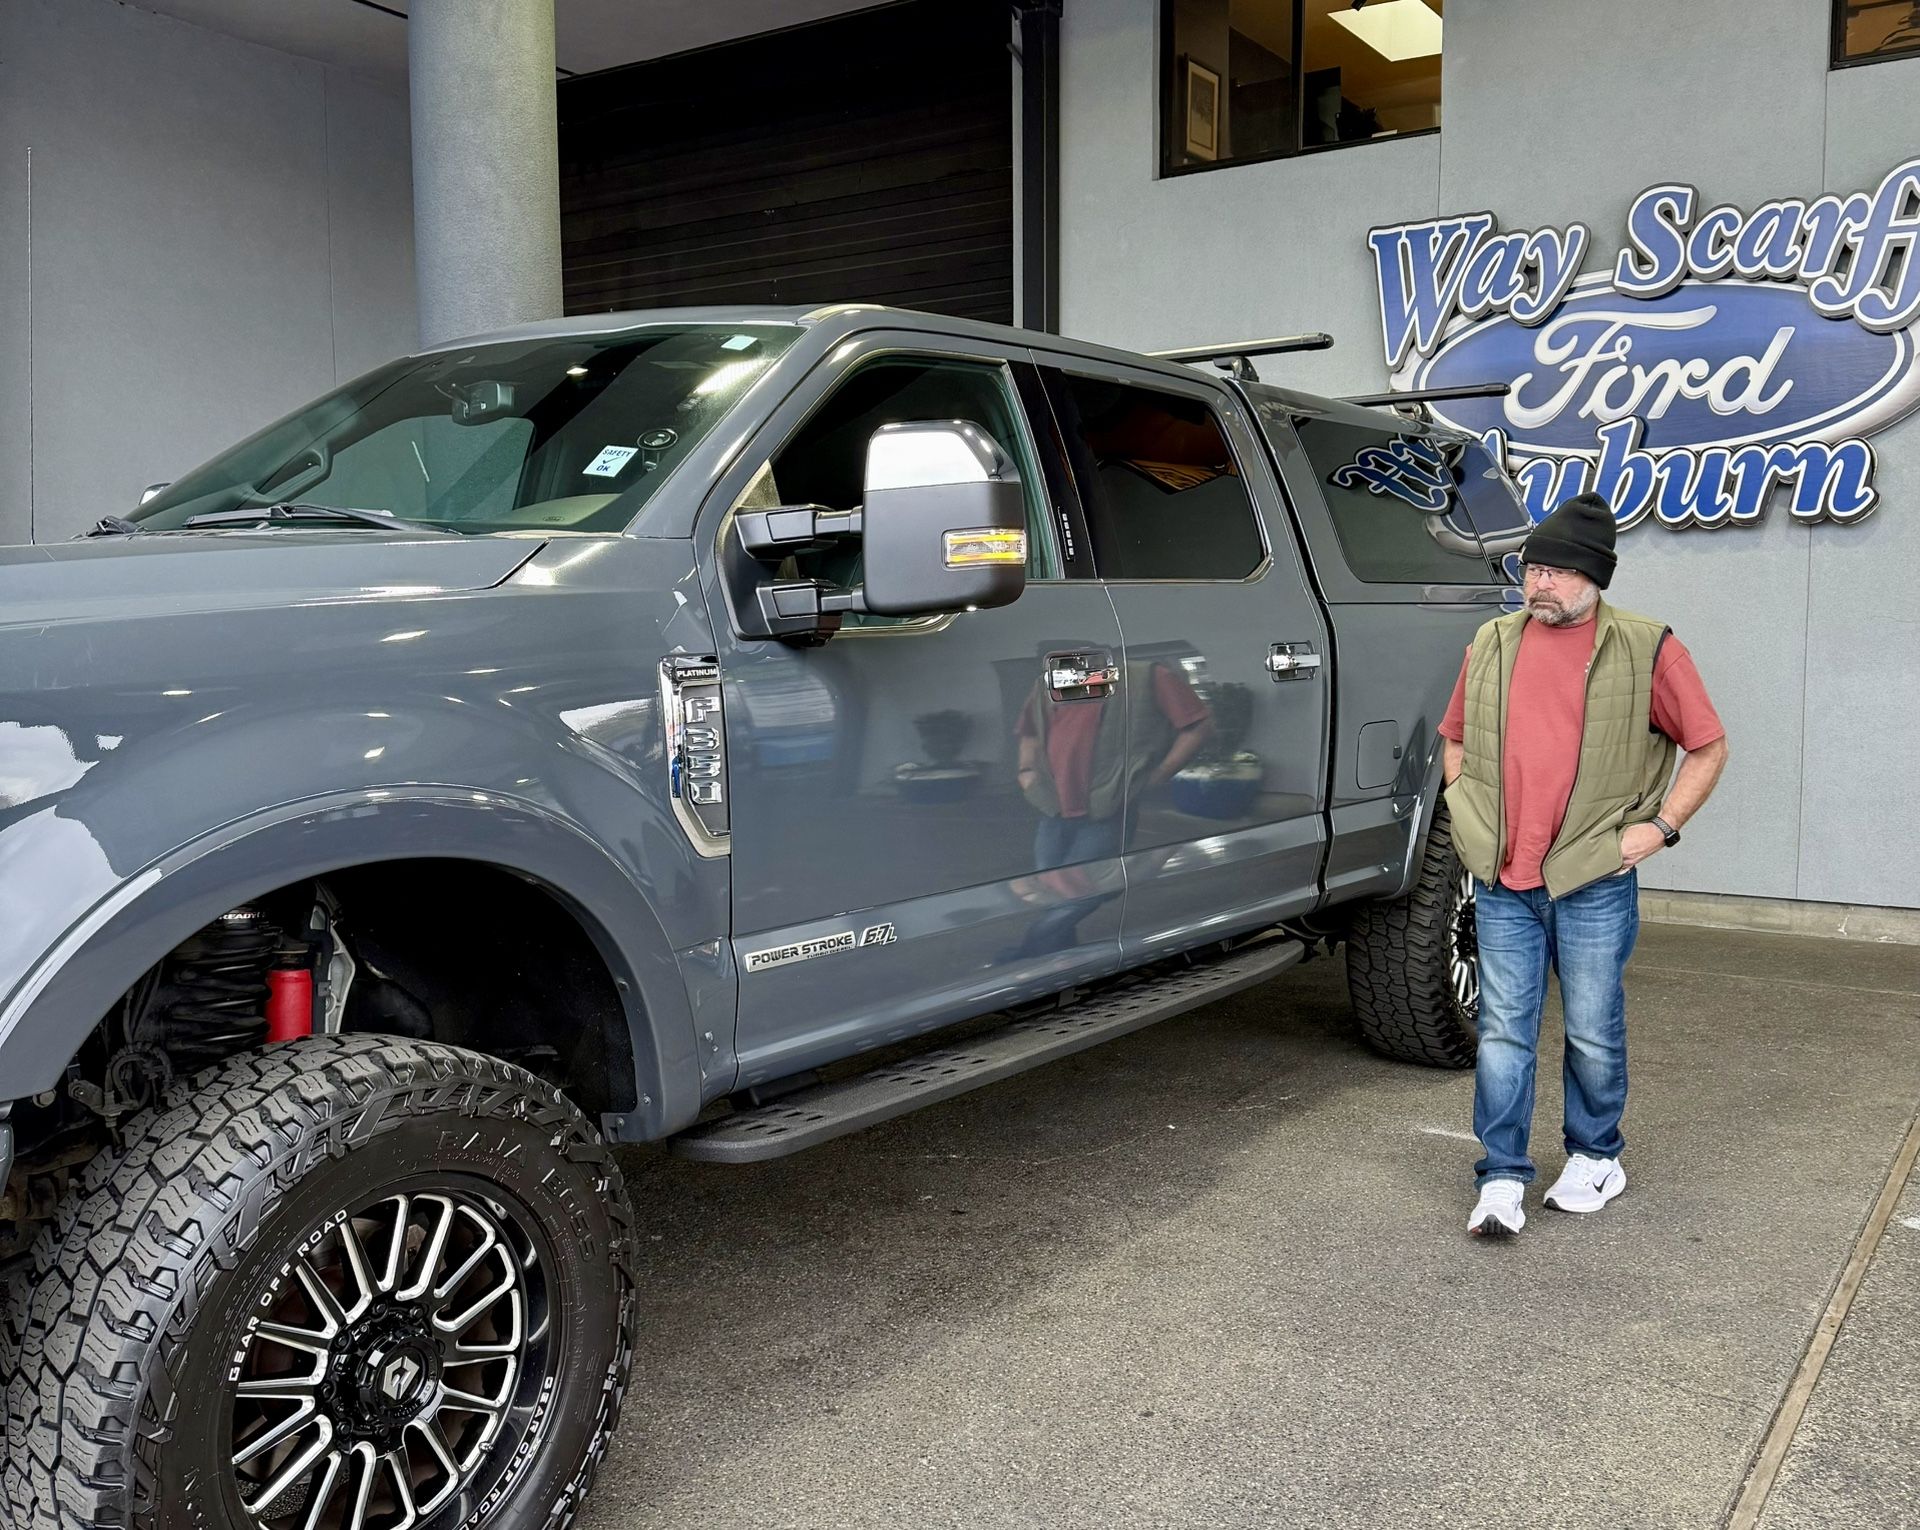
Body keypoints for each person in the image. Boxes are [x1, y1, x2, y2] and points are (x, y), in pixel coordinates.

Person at [1436, 491, 1729, 1238]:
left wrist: (1660, 829)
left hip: (1595, 879)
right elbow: (1457, 739)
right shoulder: (1494, 641)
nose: (1540, 584)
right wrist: (1465, 811)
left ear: (1595, 578)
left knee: (1592, 1027)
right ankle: (1500, 1176)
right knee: (1504, 1031)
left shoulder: (1647, 646)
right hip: (1504, 878)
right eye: (1533, 568)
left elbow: (1707, 745)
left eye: (1559, 572)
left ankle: (1596, 1155)